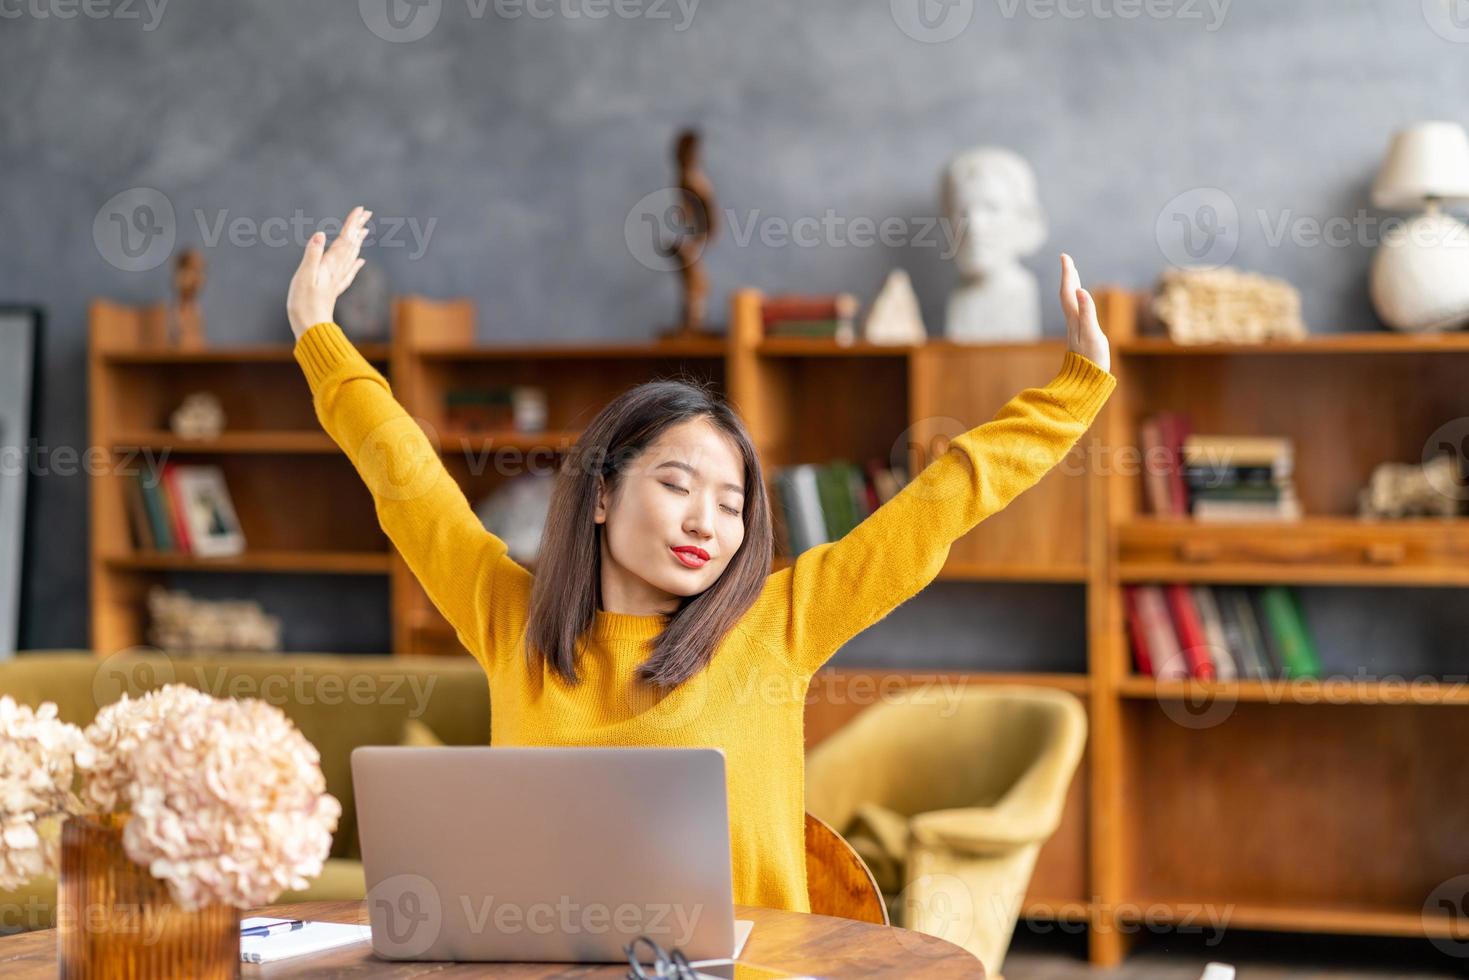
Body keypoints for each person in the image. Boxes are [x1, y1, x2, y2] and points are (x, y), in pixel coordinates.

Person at [286, 206, 1116, 914]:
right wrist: (319, 336)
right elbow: (408, 484)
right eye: (678, 484)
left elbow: (941, 502)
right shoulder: (511, 620)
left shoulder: (778, 626)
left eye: (731, 503)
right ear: (603, 494)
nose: (705, 523)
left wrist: (1073, 390)